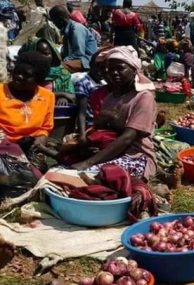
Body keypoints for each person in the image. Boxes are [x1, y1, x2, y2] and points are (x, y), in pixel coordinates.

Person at [70, 46, 157, 180]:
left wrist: (89, 162)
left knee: (85, 176)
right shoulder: (111, 97)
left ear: (134, 70)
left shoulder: (143, 97)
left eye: (120, 68)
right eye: (111, 69)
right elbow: (103, 130)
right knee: (65, 167)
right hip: (110, 151)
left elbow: (128, 137)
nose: (114, 73)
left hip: (135, 156)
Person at [0, 51, 54, 152]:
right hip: (3, 147)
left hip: (32, 147)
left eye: (26, 75)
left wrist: (42, 137)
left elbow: (46, 127)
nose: (19, 76)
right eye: (18, 71)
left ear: (38, 80)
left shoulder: (47, 96)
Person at [19, 38, 75, 106]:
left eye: (46, 53)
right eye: (38, 54)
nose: (42, 57)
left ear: (53, 55)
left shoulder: (62, 74)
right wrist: (62, 94)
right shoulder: (25, 74)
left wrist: (64, 98)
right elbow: (28, 93)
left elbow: (72, 96)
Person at [48, 5, 98, 73]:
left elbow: (79, 53)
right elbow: (67, 52)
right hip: (77, 60)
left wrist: (64, 61)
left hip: (86, 61)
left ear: (61, 19)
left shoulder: (76, 29)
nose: (54, 24)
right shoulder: (66, 30)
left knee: (58, 70)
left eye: (54, 21)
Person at [75, 52, 103, 137]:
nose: (100, 70)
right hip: (90, 126)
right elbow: (81, 113)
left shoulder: (104, 82)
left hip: (103, 125)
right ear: (91, 65)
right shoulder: (83, 83)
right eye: (97, 66)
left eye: (103, 67)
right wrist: (82, 135)